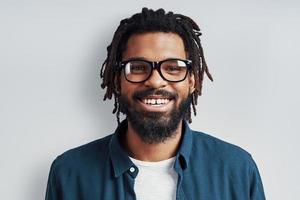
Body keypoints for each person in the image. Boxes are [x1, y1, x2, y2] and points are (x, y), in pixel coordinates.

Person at [45, 8, 265, 200]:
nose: (155, 80)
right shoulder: (70, 173)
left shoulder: (237, 170)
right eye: (138, 67)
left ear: (192, 81)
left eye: (173, 67)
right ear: (117, 81)